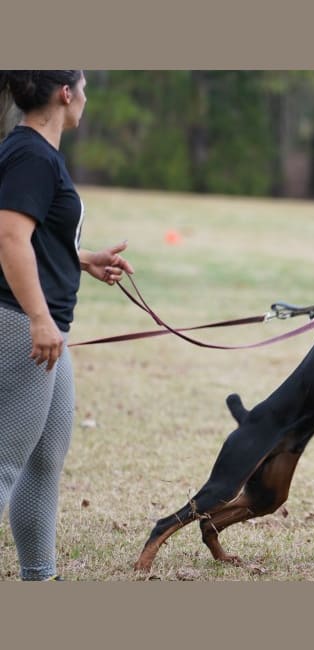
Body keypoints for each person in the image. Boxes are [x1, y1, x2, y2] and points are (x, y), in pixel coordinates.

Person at [0, 70, 134, 581]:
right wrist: (37, 318)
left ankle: (40, 578)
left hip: (44, 327)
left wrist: (79, 258)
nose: (86, 97)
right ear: (65, 93)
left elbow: (33, 235)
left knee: (42, 461)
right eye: (83, 86)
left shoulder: (36, 153)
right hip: (21, 326)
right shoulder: (31, 155)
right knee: (6, 464)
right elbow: (10, 238)